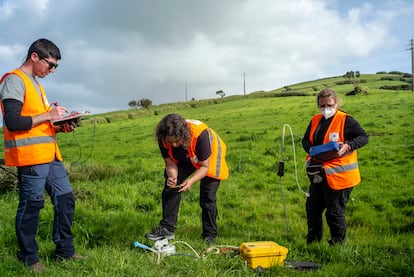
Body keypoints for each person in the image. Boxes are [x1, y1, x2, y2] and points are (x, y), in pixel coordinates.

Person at [0, 38, 82, 272]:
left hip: (51, 155)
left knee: (66, 200)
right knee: (32, 206)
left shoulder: (37, 84)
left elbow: (39, 124)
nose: (52, 70)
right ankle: (28, 257)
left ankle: (65, 252)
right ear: (35, 57)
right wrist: (49, 116)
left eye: (56, 66)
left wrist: (61, 125)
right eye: (50, 64)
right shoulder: (14, 80)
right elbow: (13, 122)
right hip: (31, 157)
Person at [145, 113, 229, 244]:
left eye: (176, 141)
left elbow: (204, 167)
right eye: (170, 142)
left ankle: (209, 235)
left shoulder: (201, 136)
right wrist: (173, 177)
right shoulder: (164, 138)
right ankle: (167, 228)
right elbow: (170, 164)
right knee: (171, 184)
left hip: (210, 155)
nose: (173, 145)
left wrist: (191, 181)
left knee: (207, 196)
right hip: (187, 154)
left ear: (183, 135)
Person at [302, 88, 368, 245]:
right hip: (319, 173)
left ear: (336, 103)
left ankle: (337, 245)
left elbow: (363, 137)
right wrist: (311, 149)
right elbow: (305, 140)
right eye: (322, 106)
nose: (326, 109)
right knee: (313, 209)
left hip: (340, 176)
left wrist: (348, 146)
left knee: (334, 211)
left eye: (329, 105)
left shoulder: (347, 120)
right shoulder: (315, 120)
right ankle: (313, 242)